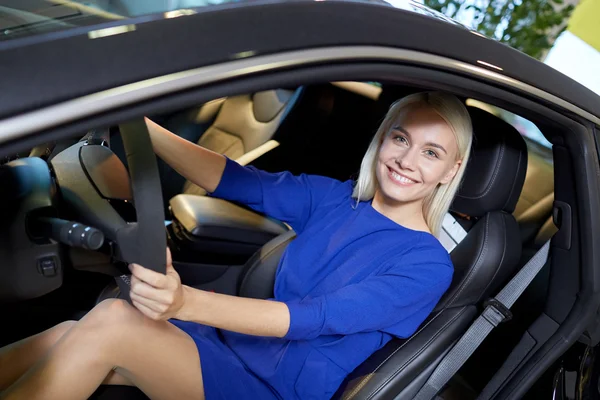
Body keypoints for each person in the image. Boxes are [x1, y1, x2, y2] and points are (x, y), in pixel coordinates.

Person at [0, 91, 472, 400]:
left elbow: (313, 317)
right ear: (383, 139)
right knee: (69, 331)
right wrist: (138, 125)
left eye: (431, 153)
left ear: (451, 170)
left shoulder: (427, 265)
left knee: (112, 323)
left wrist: (184, 301)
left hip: (275, 389)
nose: (408, 161)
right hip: (230, 348)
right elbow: (234, 179)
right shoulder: (337, 199)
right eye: (401, 139)